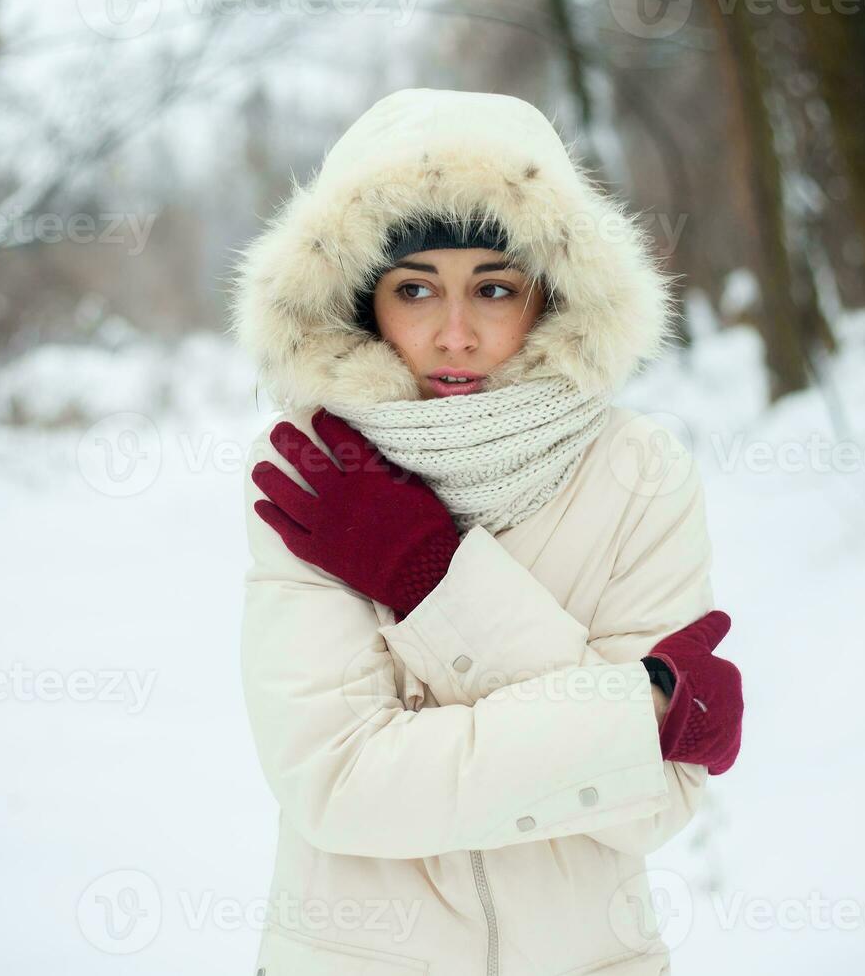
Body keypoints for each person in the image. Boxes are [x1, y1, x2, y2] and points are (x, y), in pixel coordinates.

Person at [230, 88, 744, 976]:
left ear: (551, 296)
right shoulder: (313, 476)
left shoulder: (638, 470)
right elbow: (337, 783)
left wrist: (429, 577)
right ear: (361, 302)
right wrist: (633, 713)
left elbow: (653, 803)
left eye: (494, 288)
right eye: (415, 288)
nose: (455, 332)